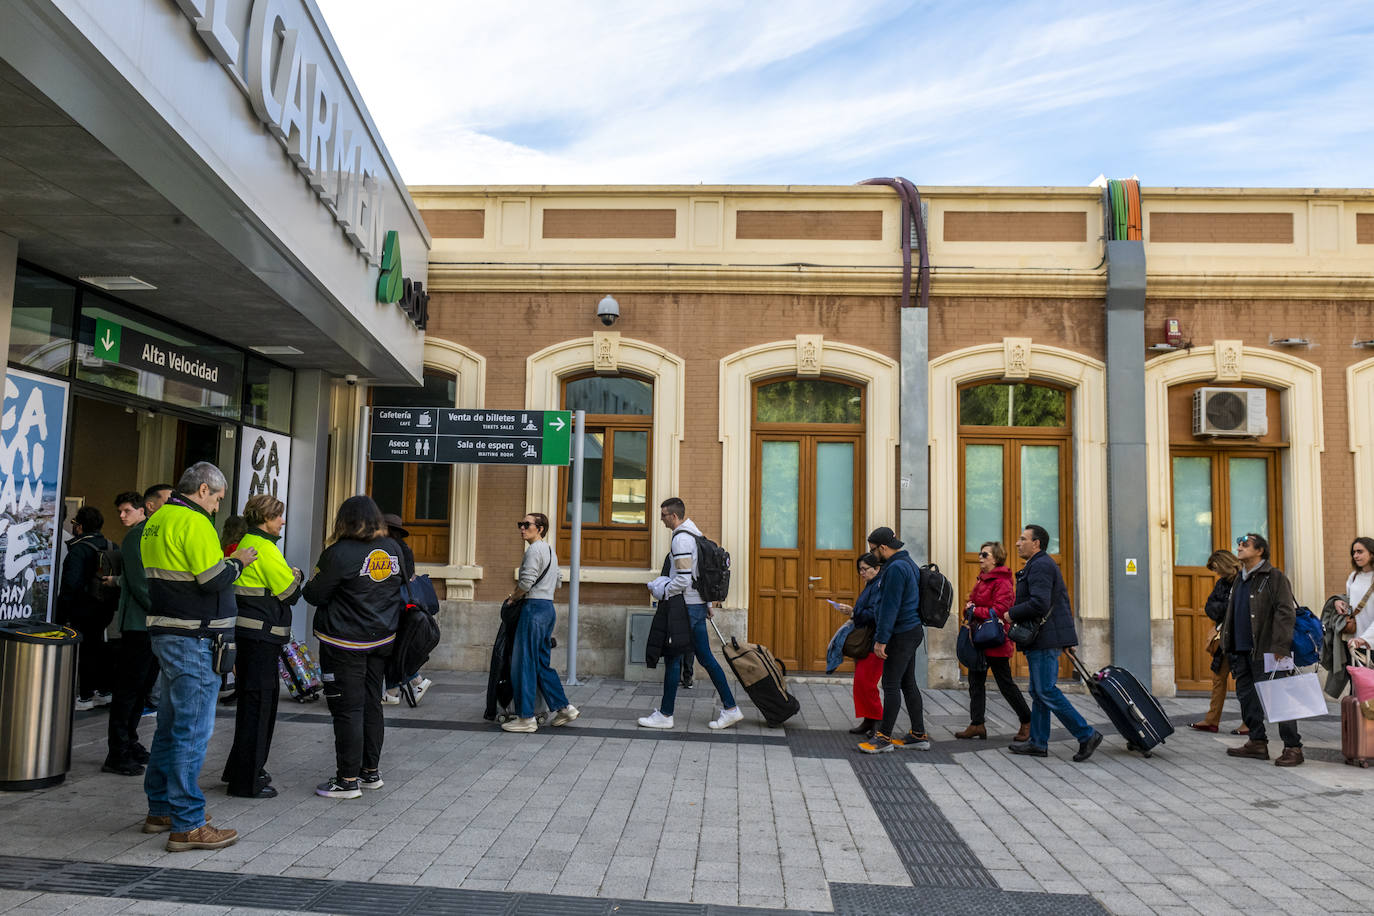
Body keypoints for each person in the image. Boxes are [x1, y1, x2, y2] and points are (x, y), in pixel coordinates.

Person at [140, 462, 257, 851]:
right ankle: (188, 823)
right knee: (192, 731)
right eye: (217, 499)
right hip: (196, 637)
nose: (216, 507)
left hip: (167, 632)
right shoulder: (193, 522)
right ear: (203, 490)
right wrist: (240, 560)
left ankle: (162, 808)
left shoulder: (157, 520)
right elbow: (213, 579)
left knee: (170, 727)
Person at [304, 495, 404, 797]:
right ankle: (370, 773)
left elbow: (314, 594)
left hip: (344, 642)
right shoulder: (392, 548)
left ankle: (347, 780)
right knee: (372, 703)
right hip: (382, 639)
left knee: (347, 709)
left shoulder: (338, 553)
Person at [221, 494, 302, 799]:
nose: (282, 521)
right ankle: (247, 780)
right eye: (279, 516)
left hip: (250, 635)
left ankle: (238, 768)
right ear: (266, 519)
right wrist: (298, 574)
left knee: (251, 704)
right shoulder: (265, 548)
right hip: (261, 637)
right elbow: (291, 592)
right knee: (259, 707)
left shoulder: (245, 543)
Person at [638, 498, 742, 731]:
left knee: (674, 658)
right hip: (695, 606)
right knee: (705, 657)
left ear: (674, 516)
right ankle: (731, 708)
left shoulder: (681, 540)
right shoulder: (696, 535)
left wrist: (664, 590)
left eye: (664, 514)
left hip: (685, 607)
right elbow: (699, 576)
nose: (661, 518)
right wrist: (706, 603)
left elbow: (684, 579)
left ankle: (666, 715)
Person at [1007, 525, 1103, 762]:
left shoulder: (1040, 565)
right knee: (1038, 691)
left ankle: (1086, 734)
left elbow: (1040, 603)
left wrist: (1012, 614)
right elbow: (1060, 601)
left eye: (1023, 539)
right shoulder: (1040, 564)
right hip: (1046, 637)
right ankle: (1038, 743)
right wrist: (1067, 639)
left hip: (1044, 638)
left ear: (1036, 543)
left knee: (1045, 690)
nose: (1018, 543)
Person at [1223, 532, 1303, 766]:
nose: (1239, 547)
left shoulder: (1274, 577)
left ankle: (1293, 747)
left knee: (1280, 698)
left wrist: (1280, 646)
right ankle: (1257, 742)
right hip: (1241, 649)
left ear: (1260, 550)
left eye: (1245, 544)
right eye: (1238, 544)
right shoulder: (1240, 578)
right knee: (1247, 697)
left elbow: (1285, 612)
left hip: (1269, 650)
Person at [502, 512, 579, 733]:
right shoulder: (550, 550)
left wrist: (513, 597)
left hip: (533, 609)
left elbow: (526, 583)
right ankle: (564, 708)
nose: (522, 528)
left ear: (541, 528)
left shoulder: (534, 550)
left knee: (523, 663)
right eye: (521, 523)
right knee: (540, 663)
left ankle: (526, 718)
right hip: (547, 608)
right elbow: (559, 582)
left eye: (527, 524)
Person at [858, 527, 930, 754]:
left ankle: (883, 737)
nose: (872, 555)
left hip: (900, 633)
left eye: (873, 550)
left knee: (890, 686)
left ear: (883, 547)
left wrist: (881, 640)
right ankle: (918, 734)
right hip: (911, 631)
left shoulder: (896, 568)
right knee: (908, 683)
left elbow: (890, 607)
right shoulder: (907, 563)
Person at [103, 491, 160, 775]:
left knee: (137, 690)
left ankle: (129, 742)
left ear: (141, 510)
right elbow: (141, 583)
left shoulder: (144, 535)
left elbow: (138, 579)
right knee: (130, 690)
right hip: (140, 625)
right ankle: (119, 749)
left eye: (126, 511)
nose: (123, 516)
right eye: (121, 511)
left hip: (143, 623)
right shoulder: (138, 537)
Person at [955, 541, 1031, 742]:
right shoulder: (983, 580)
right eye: (980, 554)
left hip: (995, 638)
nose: (980, 557)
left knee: (1005, 684)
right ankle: (977, 724)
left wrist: (974, 610)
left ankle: (1027, 721)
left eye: (984, 554)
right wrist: (970, 609)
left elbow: (1000, 610)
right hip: (978, 638)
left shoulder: (1003, 582)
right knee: (975, 683)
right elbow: (970, 603)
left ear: (996, 559)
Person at [59, 505, 118, 710]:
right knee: (99, 647)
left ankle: (85, 696)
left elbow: (70, 582)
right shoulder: (112, 546)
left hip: (82, 607)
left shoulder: (79, 548)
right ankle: (104, 691)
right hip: (106, 606)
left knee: (86, 650)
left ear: (80, 526)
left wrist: (63, 610)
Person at [830, 552, 884, 738]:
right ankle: (868, 720)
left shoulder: (879, 586)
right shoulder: (870, 585)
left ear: (876, 569)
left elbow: (875, 613)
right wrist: (854, 611)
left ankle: (878, 721)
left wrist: (853, 611)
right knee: (860, 683)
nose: (862, 573)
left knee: (866, 683)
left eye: (865, 569)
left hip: (875, 640)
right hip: (865, 640)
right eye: (859, 569)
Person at [381, 513, 432, 706]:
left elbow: (395, 578)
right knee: (396, 649)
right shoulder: (405, 549)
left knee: (393, 649)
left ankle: (415, 680)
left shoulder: (389, 550)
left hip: (394, 606)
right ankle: (395, 690)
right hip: (404, 607)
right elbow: (408, 575)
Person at [1190, 549, 1242, 733]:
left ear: (1226, 565)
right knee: (1218, 679)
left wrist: (1225, 607)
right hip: (1224, 639)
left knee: (1244, 683)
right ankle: (1212, 720)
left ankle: (1249, 723)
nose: (1217, 573)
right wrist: (1227, 607)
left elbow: (1244, 608)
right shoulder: (1222, 583)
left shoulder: (1245, 580)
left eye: (1218, 569)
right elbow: (1209, 607)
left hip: (1242, 640)